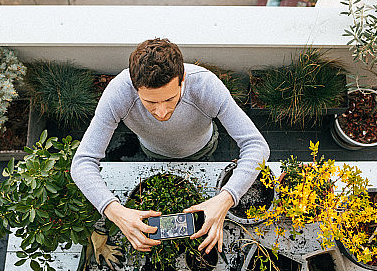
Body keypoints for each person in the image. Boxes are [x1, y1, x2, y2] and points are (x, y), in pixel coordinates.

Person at [71, 38, 270, 255]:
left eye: (170, 99)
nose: (162, 112)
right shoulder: (118, 93)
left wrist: (225, 199)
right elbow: (82, 163)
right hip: (152, 152)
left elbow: (256, 145)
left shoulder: (206, 86)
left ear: (182, 79)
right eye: (151, 103)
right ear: (134, 87)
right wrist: (115, 210)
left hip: (203, 148)